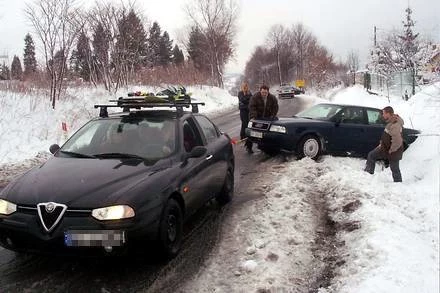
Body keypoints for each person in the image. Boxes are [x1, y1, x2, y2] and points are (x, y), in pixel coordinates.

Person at [364, 106, 404, 182]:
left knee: (395, 169)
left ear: (388, 113)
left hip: (394, 151)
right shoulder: (391, 122)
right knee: (371, 155)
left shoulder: (395, 125)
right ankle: (368, 175)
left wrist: (391, 150)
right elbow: (388, 135)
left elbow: (398, 141)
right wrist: (382, 143)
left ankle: (398, 185)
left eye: (383, 113)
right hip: (385, 148)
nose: (382, 115)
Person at [245, 84, 279, 154]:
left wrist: (273, 115)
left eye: (265, 93)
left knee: (265, 133)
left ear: (268, 92)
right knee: (253, 133)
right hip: (256, 118)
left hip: (267, 118)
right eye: (262, 92)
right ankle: (248, 147)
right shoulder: (255, 97)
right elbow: (252, 107)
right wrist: (254, 116)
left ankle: (264, 147)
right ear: (260, 91)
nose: (264, 94)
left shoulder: (272, 98)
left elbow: (275, 107)